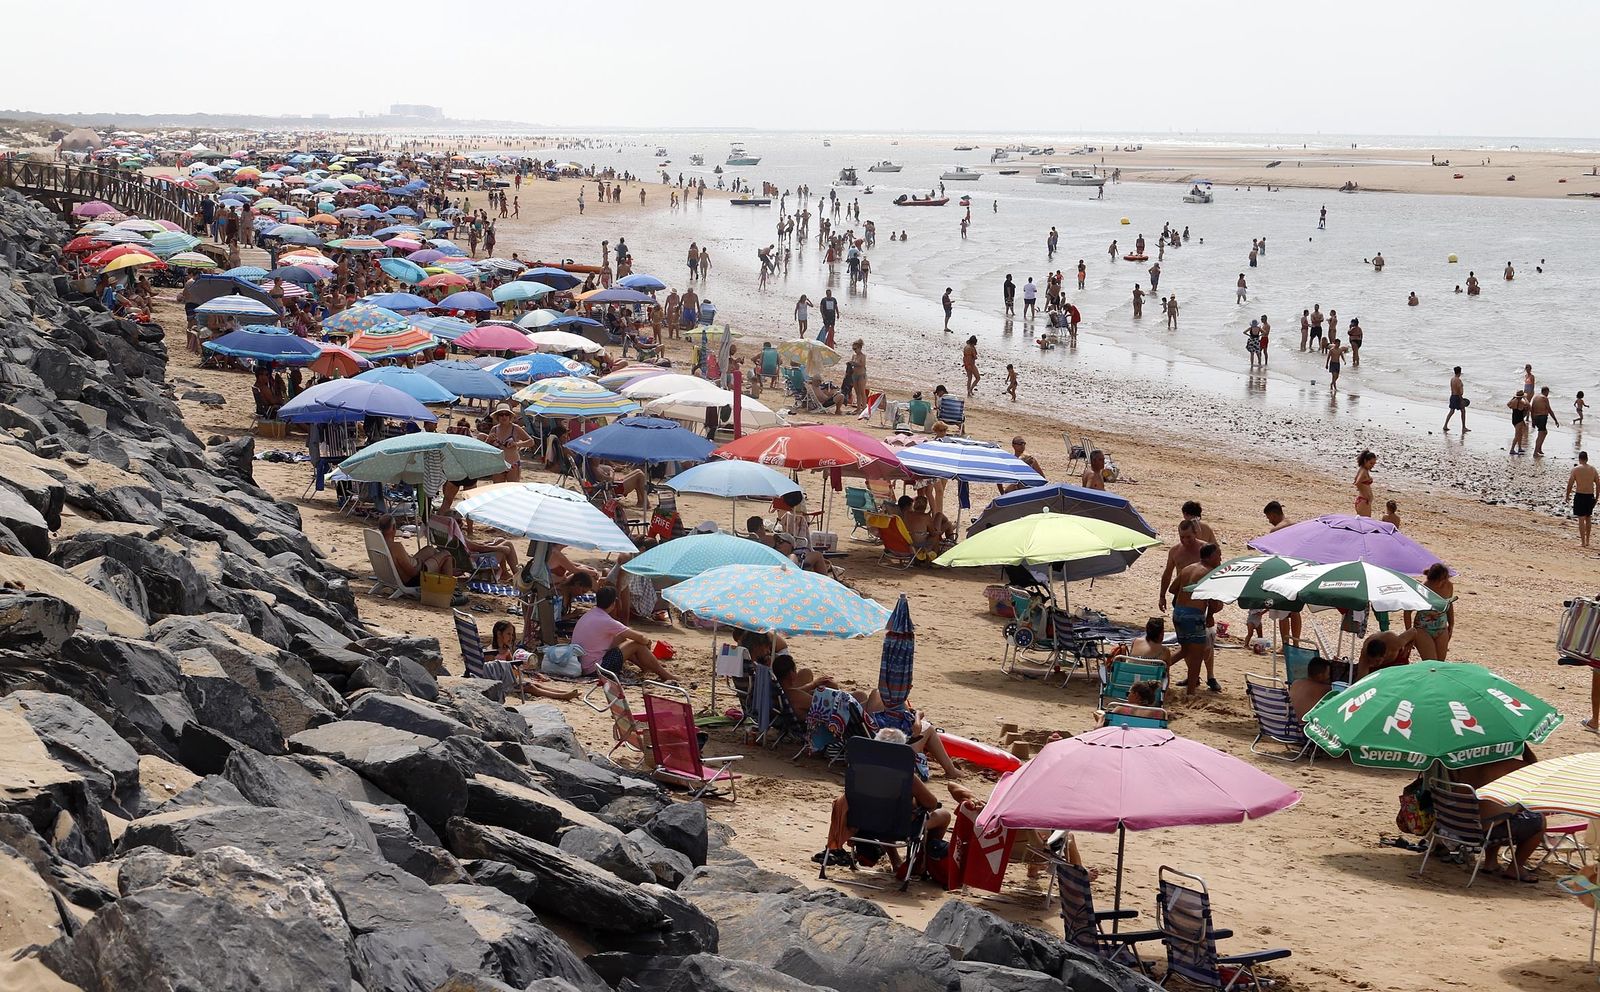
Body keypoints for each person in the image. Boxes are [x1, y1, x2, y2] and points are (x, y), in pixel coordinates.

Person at [819, 727, 957, 874]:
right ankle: (919, 862)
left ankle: (896, 861)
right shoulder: (906, 776)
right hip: (899, 827)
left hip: (861, 824)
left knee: (884, 809)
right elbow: (931, 803)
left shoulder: (859, 771)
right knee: (943, 815)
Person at [1451, 749, 1546, 881]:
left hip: (1457, 827)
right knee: (1539, 820)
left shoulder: (1464, 764)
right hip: (1483, 832)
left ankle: (1491, 862)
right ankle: (1515, 868)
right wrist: (1524, 745)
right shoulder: (1506, 765)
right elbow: (1535, 769)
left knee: (1496, 812)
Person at [570, 587, 678, 681]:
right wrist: (647, 642)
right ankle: (665, 675)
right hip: (595, 669)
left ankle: (646, 666)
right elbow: (640, 637)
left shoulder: (590, 614)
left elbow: (623, 636)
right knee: (636, 644)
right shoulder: (606, 621)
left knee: (621, 638)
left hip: (582, 664)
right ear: (614, 603)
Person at [1169, 543, 1223, 694]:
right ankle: (1191, 692)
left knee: (1185, 650)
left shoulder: (1188, 568)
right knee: (1197, 656)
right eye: (1219, 555)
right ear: (1211, 557)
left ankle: (1159, 667)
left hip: (1178, 612)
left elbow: (1172, 589)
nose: (1220, 559)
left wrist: (1185, 596)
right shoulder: (1210, 573)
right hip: (1194, 615)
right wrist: (1210, 615)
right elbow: (1213, 602)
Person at [486, 620, 580, 700]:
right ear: (499, 634)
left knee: (535, 684)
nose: (511, 637)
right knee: (531, 687)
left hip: (510, 680)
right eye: (508, 634)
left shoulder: (506, 650)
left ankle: (565, 692)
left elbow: (514, 666)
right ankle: (562, 696)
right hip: (501, 684)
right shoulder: (491, 652)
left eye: (512, 634)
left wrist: (527, 671)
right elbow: (490, 674)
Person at [376, 514, 456, 592]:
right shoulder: (396, 547)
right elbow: (412, 573)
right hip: (414, 578)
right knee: (446, 555)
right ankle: (447, 591)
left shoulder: (378, 543)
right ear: (394, 527)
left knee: (430, 549)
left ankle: (444, 574)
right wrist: (420, 564)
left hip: (398, 574)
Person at [481, 405, 533, 482]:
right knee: (498, 488)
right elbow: (486, 448)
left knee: (512, 487)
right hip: (498, 465)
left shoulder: (515, 428)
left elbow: (531, 442)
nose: (504, 417)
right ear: (497, 417)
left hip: (513, 464)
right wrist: (488, 440)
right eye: (501, 414)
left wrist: (516, 444)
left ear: (510, 416)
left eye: (507, 414)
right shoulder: (494, 429)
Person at [1567, 451, 1598, 549]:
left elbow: (1570, 483)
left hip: (1580, 495)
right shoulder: (1593, 469)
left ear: (1579, 459)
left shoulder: (1576, 469)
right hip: (1590, 496)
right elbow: (1598, 484)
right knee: (1588, 518)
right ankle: (1588, 541)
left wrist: (1567, 495)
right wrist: (1597, 497)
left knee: (1581, 519)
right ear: (1587, 459)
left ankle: (1583, 542)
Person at [1288, 658, 1334, 722]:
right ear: (1320, 676)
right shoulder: (1325, 689)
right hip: (1303, 725)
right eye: (1328, 675)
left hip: (1289, 722)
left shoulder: (1296, 683)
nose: (1329, 677)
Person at [1531, 386, 1560, 457]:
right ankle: (1535, 452)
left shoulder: (1535, 397)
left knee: (1544, 432)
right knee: (1541, 434)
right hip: (1542, 417)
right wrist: (1555, 420)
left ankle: (1539, 449)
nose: (1548, 394)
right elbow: (1549, 410)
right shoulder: (1544, 398)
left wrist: (1532, 420)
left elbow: (1532, 409)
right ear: (1546, 391)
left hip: (1536, 417)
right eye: (1548, 392)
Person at [1445, 366, 1470, 433]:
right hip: (1457, 397)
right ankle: (1464, 427)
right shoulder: (1458, 380)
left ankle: (1445, 425)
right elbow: (1459, 390)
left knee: (1451, 411)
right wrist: (1461, 399)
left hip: (1452, 396)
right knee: (1463, 411)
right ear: (1460, 372)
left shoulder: (1452, 379)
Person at [1354, 450, 1377, 517]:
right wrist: (1366, 495)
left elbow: (1355, 480)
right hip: (1363, 501)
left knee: (1364, 521)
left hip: (1363, 501)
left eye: (1374, 464)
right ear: (1365, 461)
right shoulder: (1363, 471)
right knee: (1366, 521)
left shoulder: (1363, 469)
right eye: (1371, 463)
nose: (1372, 466)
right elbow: (1357, 483)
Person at [1508, 390, 1530, 455]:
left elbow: (1508, 404)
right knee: (1517, 435)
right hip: (1519, 420)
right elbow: (1529, 406)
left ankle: (1519, 448)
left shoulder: (1513, 401)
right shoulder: (1521, 402)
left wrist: (1513, 398)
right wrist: (1525, 398)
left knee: (1520, 434)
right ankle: (1512, 449)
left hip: (1514, 419)